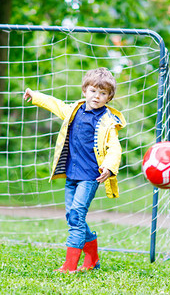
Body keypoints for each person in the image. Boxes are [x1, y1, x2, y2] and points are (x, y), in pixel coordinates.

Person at [23, 67, 126, 273]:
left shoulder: (107, 122)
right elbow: (56, 104)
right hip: (72, 175)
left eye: (103, 93)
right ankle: (93, 258)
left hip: (90, 178)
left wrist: (108, 166)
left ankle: (69, 266)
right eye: (93, 91)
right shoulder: (74, 110)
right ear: (84, 90)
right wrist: (35, 95)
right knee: (72, 215)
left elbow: (114, 148)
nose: (97, 96)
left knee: (76, 216)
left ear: (109, 97)